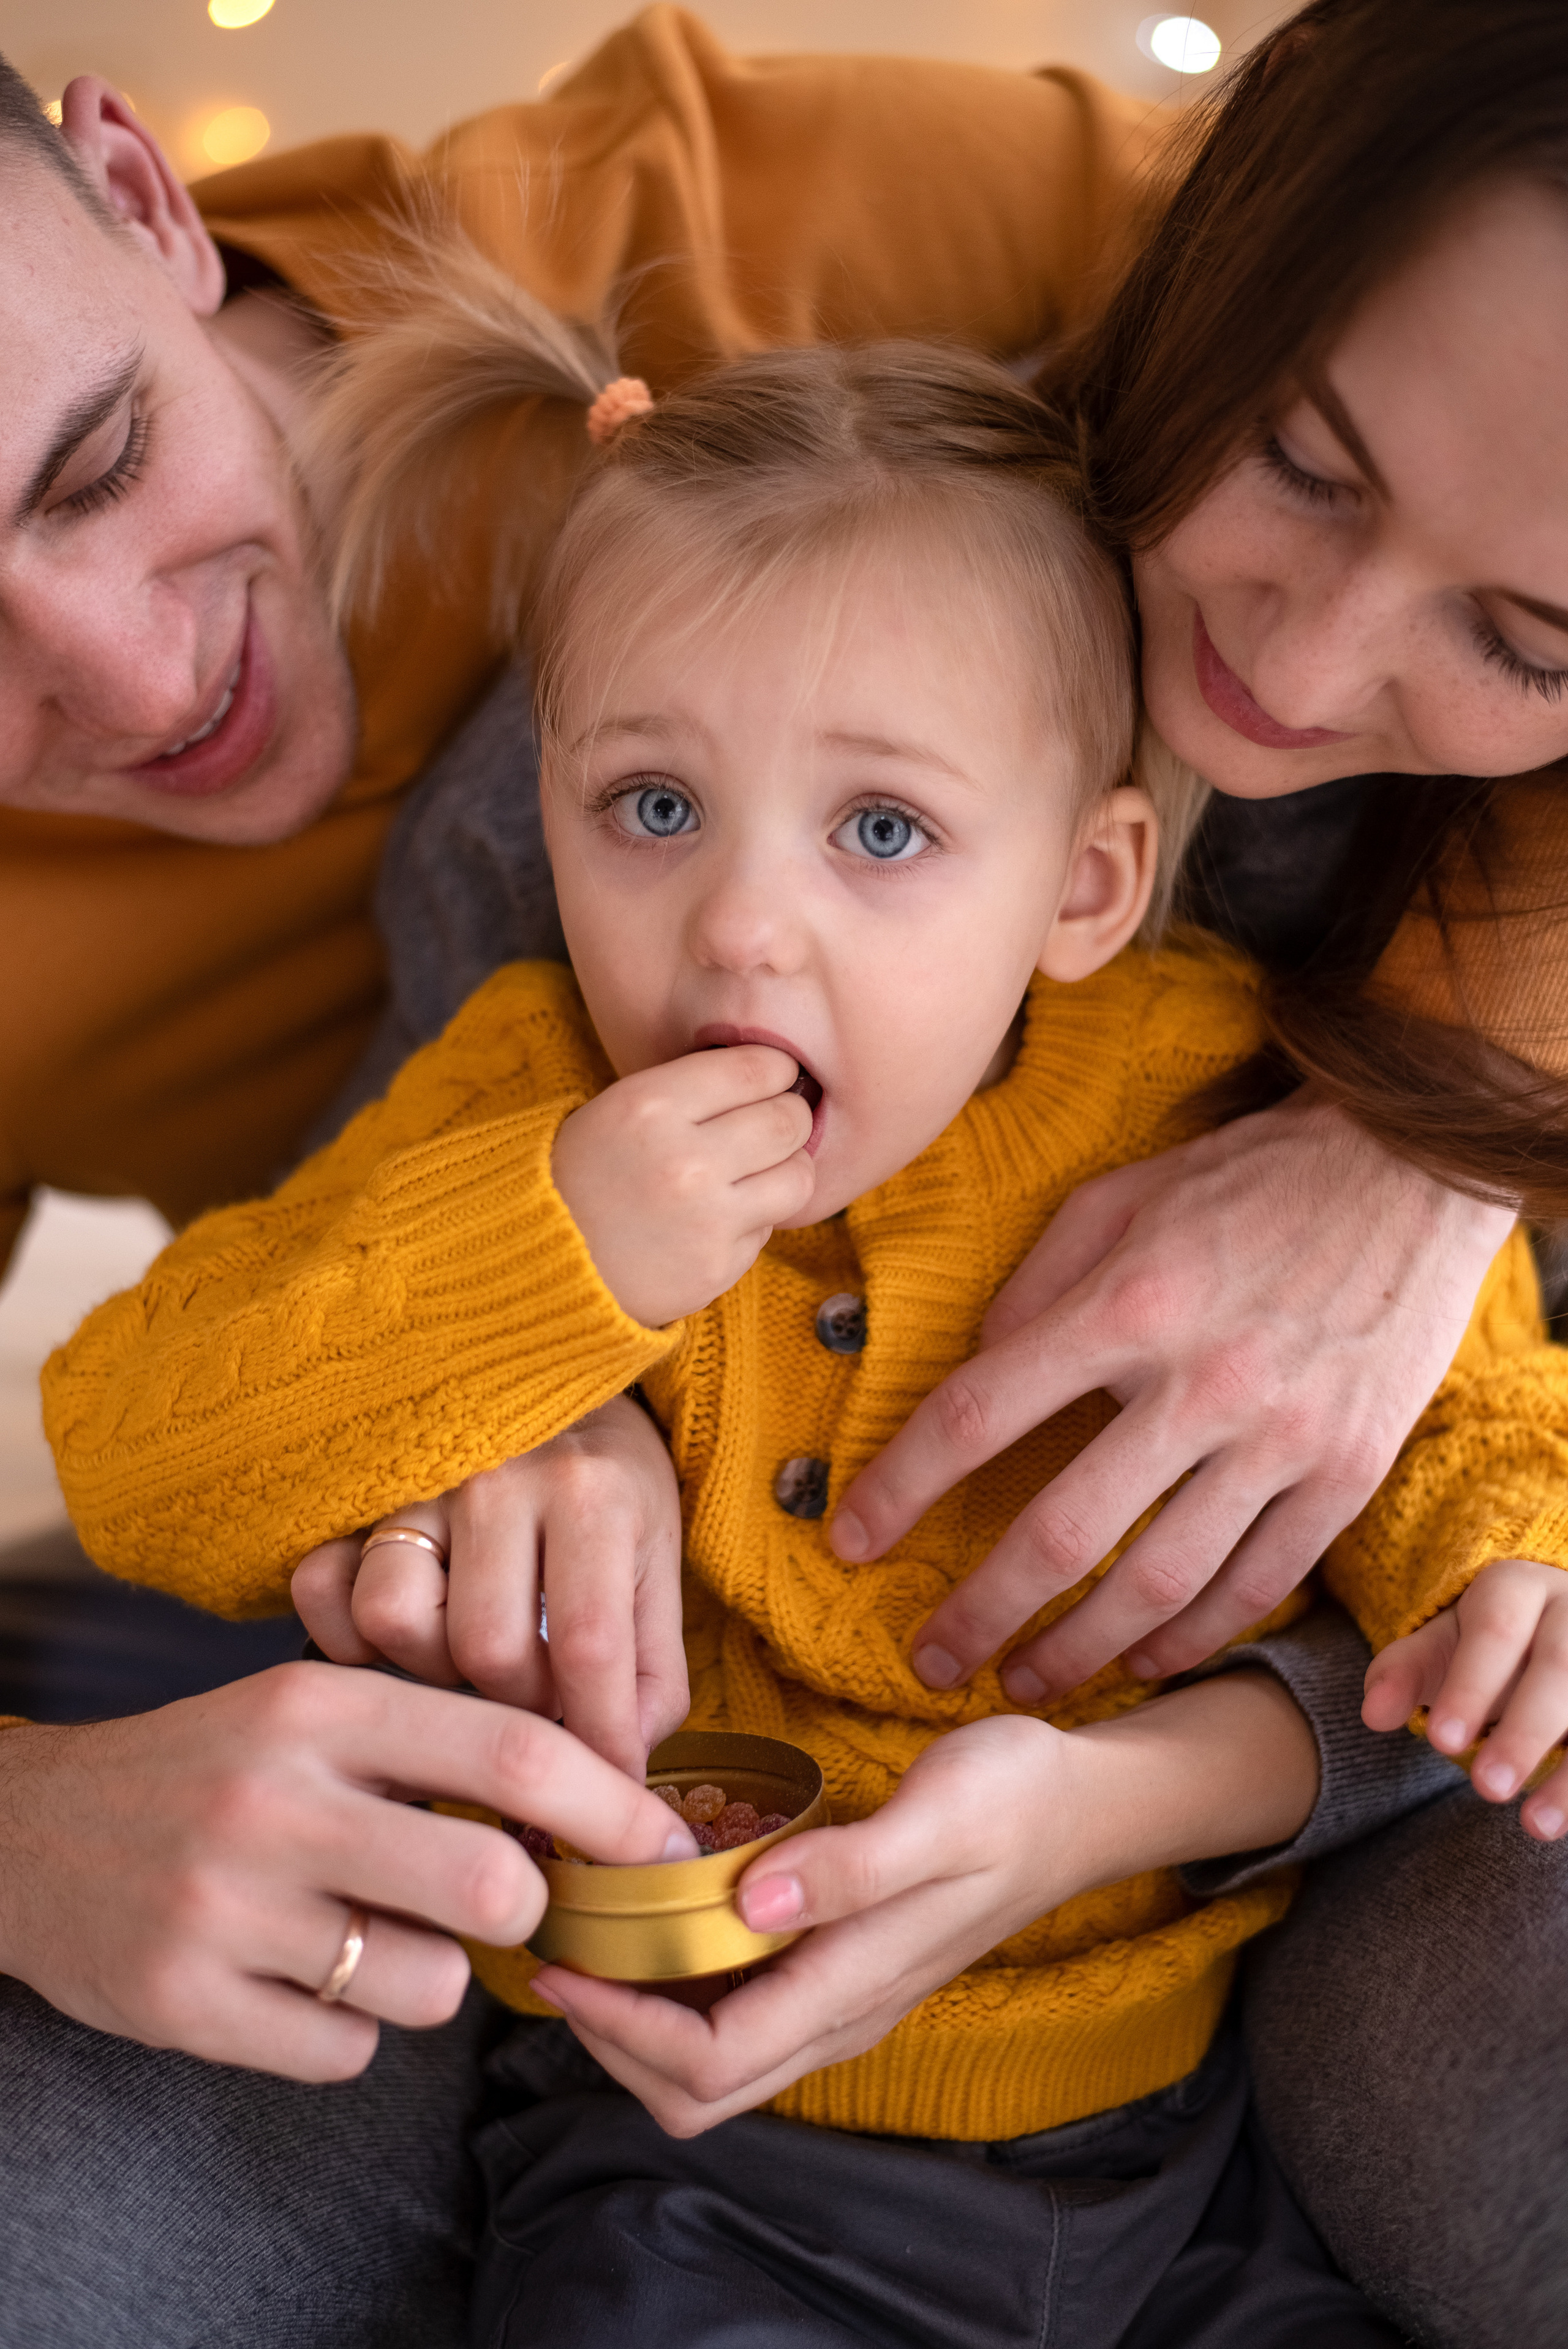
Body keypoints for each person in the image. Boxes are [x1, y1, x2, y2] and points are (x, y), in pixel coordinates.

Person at [0, 3, 1563, 2338]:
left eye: (95, 464)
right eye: (645, 805)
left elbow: (1483, 1467)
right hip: (693, 2115)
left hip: (1163, 1997)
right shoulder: (529, 1053)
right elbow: (151, 1427)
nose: (122, 673)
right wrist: (544, 1310)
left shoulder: (792, 196)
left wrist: (1426, 1164)